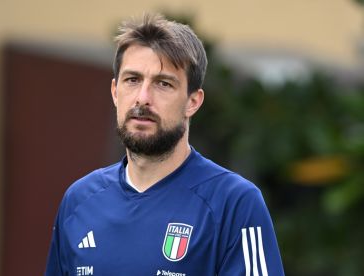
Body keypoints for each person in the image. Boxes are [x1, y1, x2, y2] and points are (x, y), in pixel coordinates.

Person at [45, 13, 285, 276]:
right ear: (115, 92)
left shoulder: (234, 203)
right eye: (132, 80)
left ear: (193, 101)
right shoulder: (79, 201)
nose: (143, 98)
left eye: (163, 84)